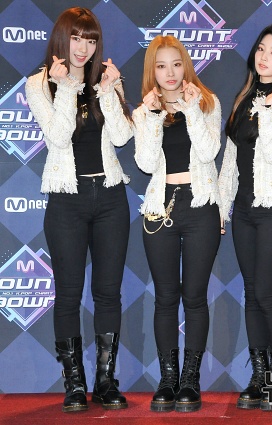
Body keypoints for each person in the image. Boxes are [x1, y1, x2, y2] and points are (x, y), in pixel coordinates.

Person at [25, 7, 132, 412]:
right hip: (67, 200)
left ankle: (105, 381)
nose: (83, 48)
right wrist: (67, 86)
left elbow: (122, 136)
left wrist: (111, 89)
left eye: (90, 39)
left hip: (110, 197)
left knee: (108, 293)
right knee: (68, 294)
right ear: (62, 38)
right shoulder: (40, 83)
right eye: (76, 38)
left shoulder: (104, 79)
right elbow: (58, 136)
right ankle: (74, 384)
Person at [133, 35, 222, 413]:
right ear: (152, 71)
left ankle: (190, 379)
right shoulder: (144, 112)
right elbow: (144, 163)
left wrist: (191, 109)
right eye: (161, 65)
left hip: (200, 207)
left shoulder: (207, 101)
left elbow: (209, 150)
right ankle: (167, 379)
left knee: (195, 296)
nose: (169, 72)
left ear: (186, 65)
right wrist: (154, 116)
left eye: (176, 63)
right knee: (166, 296)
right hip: (160, 208)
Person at [218, 24, 272, 412]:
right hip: (244, 210)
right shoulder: (242, 98)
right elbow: (230, 160)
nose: (264, 57)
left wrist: (270, 106)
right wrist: (222, 207)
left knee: (267, 293)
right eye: (261, 49)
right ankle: (258, 375)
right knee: (251, 293)